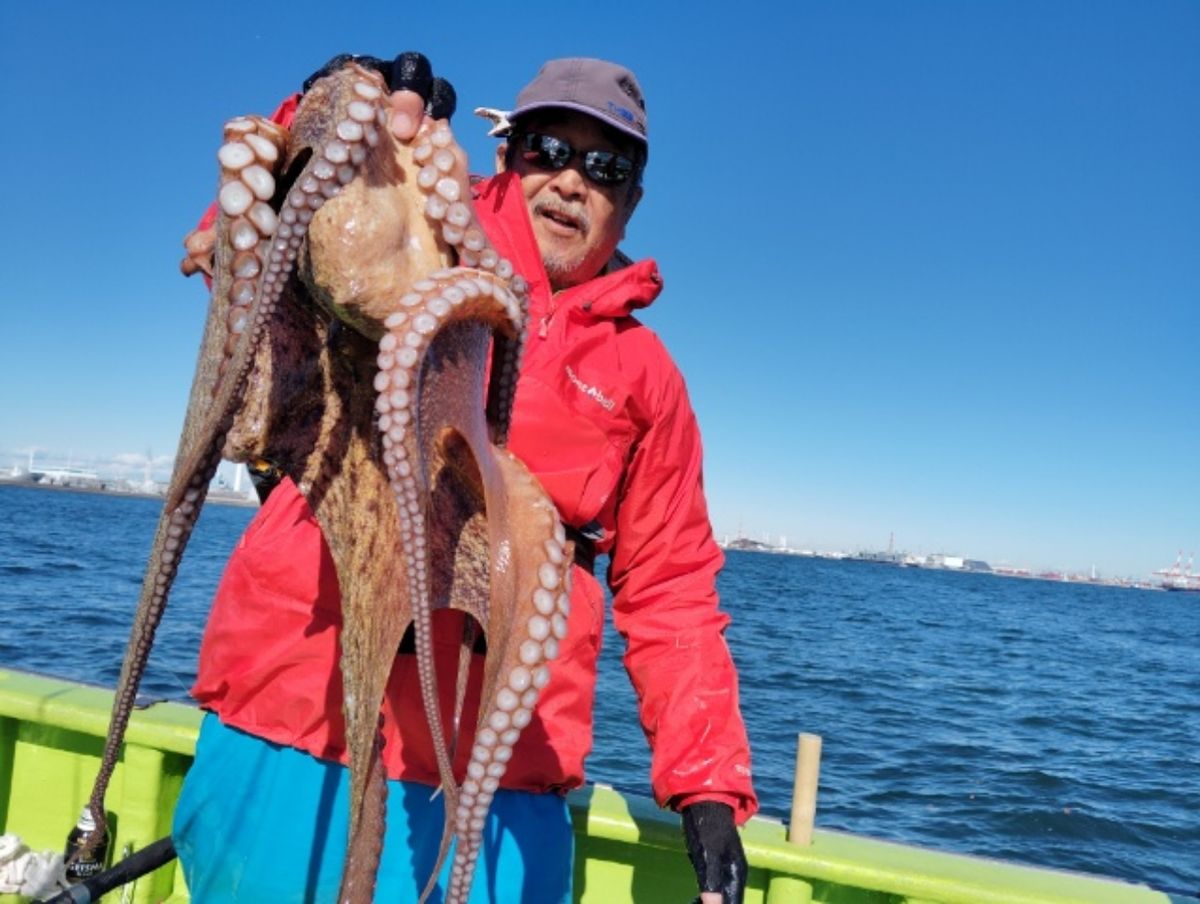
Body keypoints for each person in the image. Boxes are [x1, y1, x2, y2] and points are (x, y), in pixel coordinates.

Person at [172, 54, 757, 903]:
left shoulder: (644, 376)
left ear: (628, 202)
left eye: (606, 168)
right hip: (292, 719)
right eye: (549, 148)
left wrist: (707, 787)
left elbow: (669, 589)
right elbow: (256, 247)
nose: (570, 181)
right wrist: (330, 107)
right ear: (508, 151)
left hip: (500, 776)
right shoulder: (414, 221)